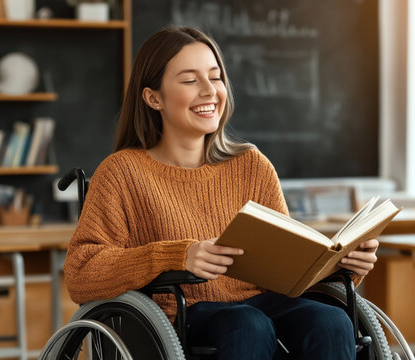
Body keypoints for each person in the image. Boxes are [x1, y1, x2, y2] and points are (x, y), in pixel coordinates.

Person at [64, 26, 379, 359]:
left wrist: (344, 266)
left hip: (261, 303)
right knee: (248, 323)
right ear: (153, 98)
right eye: (189, 80)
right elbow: (81, 274)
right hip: (180, 314)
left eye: (215, 78)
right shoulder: (121, 172)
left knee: (330, 320)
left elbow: (287, 272)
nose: (209, 91)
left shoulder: (251, 164)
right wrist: (176, 255)